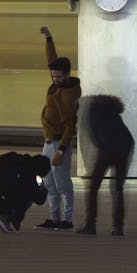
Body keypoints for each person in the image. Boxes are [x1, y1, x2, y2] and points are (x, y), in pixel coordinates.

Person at [34, 27, 81, 230]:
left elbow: (71, 126)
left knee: (62, 184)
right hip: (48, 142)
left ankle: (67, 220)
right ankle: (53, 218)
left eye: (59, 77)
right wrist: (49, 39)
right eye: (53, 76)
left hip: (59, 143)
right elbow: (51, 61)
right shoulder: (57, 84)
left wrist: (61, 150)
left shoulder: (68, 95)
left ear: (67, 75)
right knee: (50, 183)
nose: (54, 79)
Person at [77, 94, 135, 236]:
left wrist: (89, 169)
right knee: (117, 187)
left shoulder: (87, 110)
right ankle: (118, 227)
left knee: (93, 186)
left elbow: (90, 137)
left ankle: (90, 225)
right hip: (126, 144)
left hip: (108, 147)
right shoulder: (110, 109)